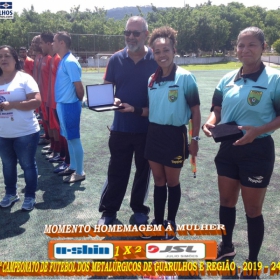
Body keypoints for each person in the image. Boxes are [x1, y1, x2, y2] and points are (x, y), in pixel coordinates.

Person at [202, 27, 280, 276]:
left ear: (263, 47)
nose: (245, 50)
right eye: (241, 45)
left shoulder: (275, 79)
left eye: (252, 45)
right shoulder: (227, 79)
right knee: (226, 201)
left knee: (253, 210)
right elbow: (217, 107)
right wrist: (211, 121)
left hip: (257, 149)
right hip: (228, 147)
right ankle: (226, 248)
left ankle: (253, 262)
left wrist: (257, 131)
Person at [97, 16, 158, 226]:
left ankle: (139, 209)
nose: (130, 37)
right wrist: (111, 98)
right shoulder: (115, 59)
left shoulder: (156, 59)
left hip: (147, 128)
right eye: (127, 33)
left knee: (143, 172)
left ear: (146, 35)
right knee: (117, 171)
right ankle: (108, 211)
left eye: (136, 33)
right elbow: (106, 90)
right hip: (120, 128)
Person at [145, 26, 200, 239]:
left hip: (175, 135)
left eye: (165, 50)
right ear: (153, 53)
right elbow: (152, 109)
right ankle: (158, 223)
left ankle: (171, 223)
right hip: (154, 134)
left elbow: (195, 110)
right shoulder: (151, 79)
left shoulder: (186, 78)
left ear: (173, 50)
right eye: (157, 51)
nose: (161, 55)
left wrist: (194, 139)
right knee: (158, 180)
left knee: (172, 181)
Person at [0, 45, 41, 211]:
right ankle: (11, 193)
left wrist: (12, 105)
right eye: (0, 56)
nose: (3, 59)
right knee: (7, 165)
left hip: (26, 132)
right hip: (3, 134)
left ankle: (30, 196)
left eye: (7, 55)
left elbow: (36, 101)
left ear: (16, 59)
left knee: (27, 165)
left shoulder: (24, 79)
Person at [52, 31, 85, 183]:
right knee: (69, 138)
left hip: (69, 106)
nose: (52, 44)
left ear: (62, 43)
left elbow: (78, 86)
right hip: (63, 105)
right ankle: (72, 166)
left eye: (54, 41)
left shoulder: (70, 61)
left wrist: (79, 101)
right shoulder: (64, 60)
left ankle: (79, 172)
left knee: (74, 139)